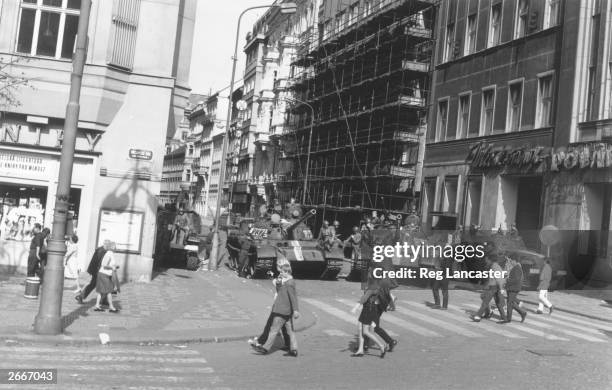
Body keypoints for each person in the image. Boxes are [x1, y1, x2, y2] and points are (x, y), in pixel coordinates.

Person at [254, 263, 299, 357]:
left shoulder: (289, 284)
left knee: (274, 330)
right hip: (287, 311)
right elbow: (280, 290)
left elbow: (293, 298)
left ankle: (265, 348)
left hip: (281, 310)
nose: (281, 273)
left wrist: (296, 310)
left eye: (282, 272)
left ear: (287, 272)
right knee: (290, 331)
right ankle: (294, 349)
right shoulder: (287, 282)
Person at [249, 261, 291, 351]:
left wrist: (274, 279)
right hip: (283, 306)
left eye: (279, 267)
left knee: (270, 324)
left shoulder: (285, 279)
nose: (278, 269)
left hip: (280, 305)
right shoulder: (286, 277)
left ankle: (262, 343)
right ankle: (289, 344)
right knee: (284, 326)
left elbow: (279, 287)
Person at [350, 277, 388, 358]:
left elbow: (364, 298)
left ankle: (381, 346)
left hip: (368, 309)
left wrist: (355, 308)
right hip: (368, 309)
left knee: (366, 332)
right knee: (360, 328)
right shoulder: (377, 285)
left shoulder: (372, 287)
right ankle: (360, 350)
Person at [472, 244, 507, 322]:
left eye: (486, 259)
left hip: (493, 287)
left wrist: (501, 289)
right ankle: (503, 317)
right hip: (493, 287)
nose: (485, 260)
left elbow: (499, 278)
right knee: (497, 303)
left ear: (490, 259)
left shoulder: (495, 266)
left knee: (485, 302)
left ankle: (478, 316)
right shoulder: (492, 266)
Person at [93, 241, 119, 313]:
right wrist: (112, 267)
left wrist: (114, 266)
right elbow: (104, 265)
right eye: (115, 246)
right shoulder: (109, 254)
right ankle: (111, 307)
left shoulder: (109, 253)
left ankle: (97, 306)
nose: (116, 248)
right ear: (112, 247)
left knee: (101, 291)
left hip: (102, 274)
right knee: (109, 291)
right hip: (104, 275)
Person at [500, 256, 527, 323]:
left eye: (512, 261)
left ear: (515, 260)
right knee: (511, 303)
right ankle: (522, 313)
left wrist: (507, 280)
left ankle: (508, 319)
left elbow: (516, 279)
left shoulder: (517, 268)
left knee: (509, 303)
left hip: (514, 288)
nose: (511, 262)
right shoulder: (515, 267)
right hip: (512, 287)